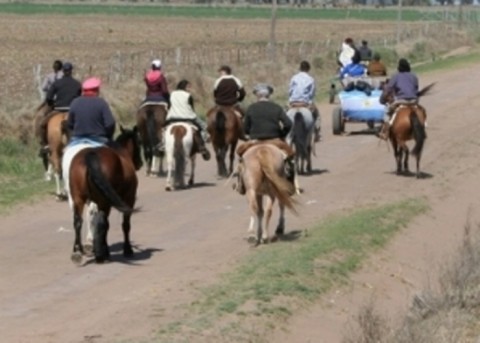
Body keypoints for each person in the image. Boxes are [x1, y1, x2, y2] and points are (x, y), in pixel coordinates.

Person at [235, 84, 295, 195]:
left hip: (255, 140)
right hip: (274, 139)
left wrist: (250, 134)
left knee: (240, 153)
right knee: (290, 156)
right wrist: (282, 134)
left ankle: (240, 183)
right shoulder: (276, 107)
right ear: (269, 95)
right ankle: (290, 184)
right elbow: (288, 123)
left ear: (257, 96)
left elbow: (244, 128)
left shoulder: (251, 108)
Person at [39, 62, 81, 154]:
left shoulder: (56, 83)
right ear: (71, 71)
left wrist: (52, 104)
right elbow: (80, 98)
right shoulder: (77, 84)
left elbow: (49, 97)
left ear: (63, 71)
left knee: (42, 125)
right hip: (72, 111)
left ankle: (45, 145)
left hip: (58, 110)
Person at [165, 79, 211, 161]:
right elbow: (192, 109)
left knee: (164, 129)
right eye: (188, 87)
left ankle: (161, 144)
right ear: (184, 87)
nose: (189, 89)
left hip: (173, 117)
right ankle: (202, 146)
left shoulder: (172, 94)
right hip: (187, 117)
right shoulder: (188, 96)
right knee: (204, 126)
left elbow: (169, 106)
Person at [378, 58, 419, 140]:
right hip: (414, 100)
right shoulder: (414, 76)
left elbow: (388, 89)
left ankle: (385, 132)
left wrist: (382, 98)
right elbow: (416, 88)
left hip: (401, 100)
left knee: (387, 112)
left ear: (399, 67)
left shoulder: (396, 76)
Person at [67, 77, 116, 144]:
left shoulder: (75, 102)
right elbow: (110, 123)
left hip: (78, 140)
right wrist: (109, 136)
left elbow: (70, 124)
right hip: (99, 140)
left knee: (66, 153)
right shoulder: (101, 103)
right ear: (97, 90)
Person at [288, 60, 321, 142]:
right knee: (317, 116)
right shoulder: (310, 79)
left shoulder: (294, 78)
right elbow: (312, 93)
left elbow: (290, 91)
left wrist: (291, 99)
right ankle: (316, 133)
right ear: (308, 69)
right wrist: (309, 101)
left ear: (300, 68)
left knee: (285, 114)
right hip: (304, 103)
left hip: (293, 102)